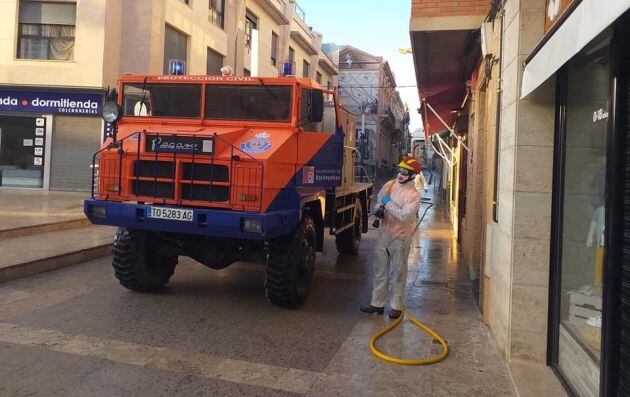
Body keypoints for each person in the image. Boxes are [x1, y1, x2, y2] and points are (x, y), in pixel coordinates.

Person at [361, 156, 421, 319]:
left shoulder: (413, 195)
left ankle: (396, 306)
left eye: (405, 172)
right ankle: (377, 304)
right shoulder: (390, 185)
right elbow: (379, 199)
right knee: (379, 271)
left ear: (413, 175)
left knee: (399, 272)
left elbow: (405, 216)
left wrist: (387, 204)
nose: (401, 174)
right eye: (400, 170)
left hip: (400, 238)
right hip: (383, 234)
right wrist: (378, 208)